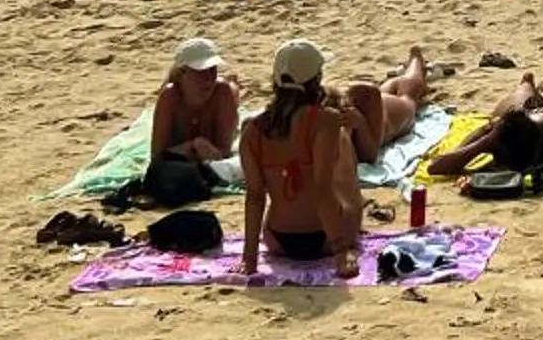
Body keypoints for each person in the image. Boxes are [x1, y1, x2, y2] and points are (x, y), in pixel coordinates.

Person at [237, 40, 362, 278]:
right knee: (343, 140)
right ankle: (342, 235)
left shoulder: (252, 130)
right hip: (327, 238)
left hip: (278, 240)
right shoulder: (326, 120)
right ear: (316, 79)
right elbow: (322, 189)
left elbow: (254, 197)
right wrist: (341, 252)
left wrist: (249, 258)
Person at [429, 71, 543, 180]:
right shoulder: (496, 130)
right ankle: (527, 82)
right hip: (515, 107)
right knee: (522, 94)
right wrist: (485, 140)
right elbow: (436, 167)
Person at [145, 36, 238, 200]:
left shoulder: (222, 93)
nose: (208, 78)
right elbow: (157, 155)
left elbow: (223, 150)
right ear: (182, 74)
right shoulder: (170, 97)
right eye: (200, 72)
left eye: (212, 70)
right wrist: (193, 146)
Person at [336, 47, 431, 157]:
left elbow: (369, 155)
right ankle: (410, 65)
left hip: (390, 116)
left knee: (409, 94)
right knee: (394, 86)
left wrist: (360, 123)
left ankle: (416, 58)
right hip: (376, 105)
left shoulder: (351, 104)